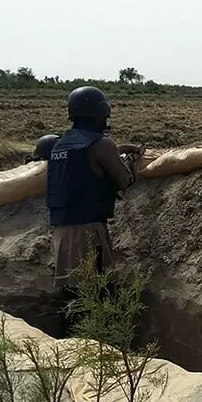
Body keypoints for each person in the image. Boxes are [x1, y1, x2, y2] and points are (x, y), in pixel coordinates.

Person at [46, 86, 142, 327]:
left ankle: (68, 345)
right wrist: (131, 162)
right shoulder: (102, 144)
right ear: (99, 114)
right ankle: (98, 343)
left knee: (71, 293)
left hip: (60, 232)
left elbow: (82, 165)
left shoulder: (59, 145)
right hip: (88, 231)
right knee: (98, 291)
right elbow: (125, 181)